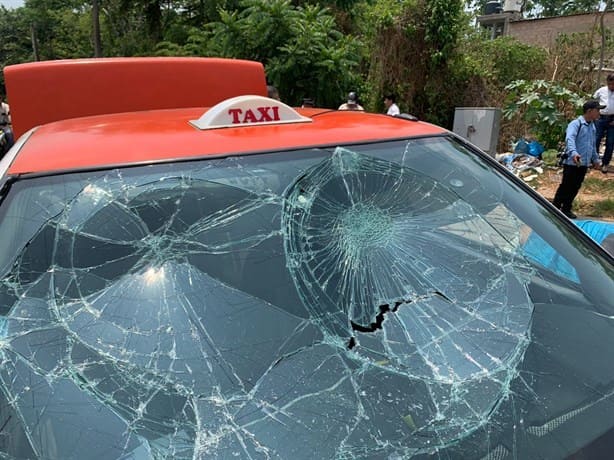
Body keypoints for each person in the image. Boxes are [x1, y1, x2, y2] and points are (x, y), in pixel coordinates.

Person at [552, 99, 603, 219]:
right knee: (566, 185)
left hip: (583, 163)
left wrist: (595, 160)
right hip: (572, 162)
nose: (599, 113)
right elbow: (570, 139)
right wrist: (574, 153)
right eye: (597, 110)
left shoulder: (592, 126)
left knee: (575, 186)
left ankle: (566, 208)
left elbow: (592, 145)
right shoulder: (576, 124)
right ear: (589, 111)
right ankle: (555, 208)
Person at [593, 73, 614, 174]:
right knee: (596, 139)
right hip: (600, 118)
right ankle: (595, 161)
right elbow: (594, 100)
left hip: (612, 120)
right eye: (610, 84)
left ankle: (605, 163)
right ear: (607, 82)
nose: (612, 86)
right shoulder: (601, 91)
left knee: (610, 143)